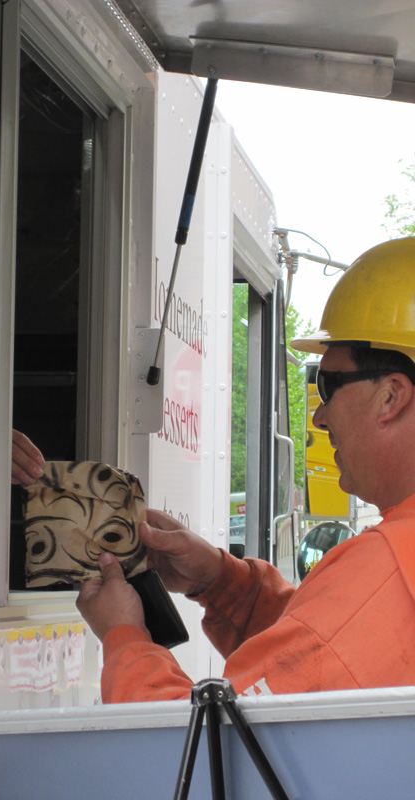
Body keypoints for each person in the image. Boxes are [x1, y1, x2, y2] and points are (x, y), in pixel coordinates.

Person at [76, 237, 415, 701]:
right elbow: (327, 650)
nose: (319, 414)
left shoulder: (388, 574)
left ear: (392, 395)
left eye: (326, 383)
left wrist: (124, 636)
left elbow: (197, 757)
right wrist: (220, 580)